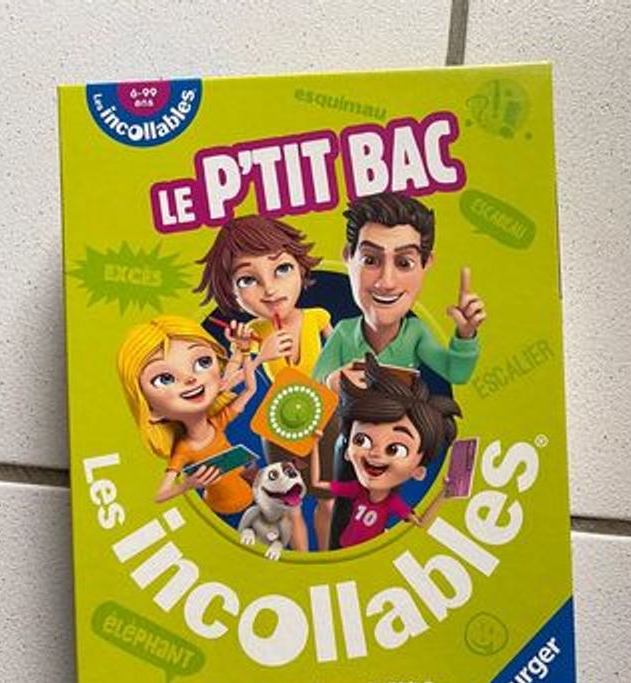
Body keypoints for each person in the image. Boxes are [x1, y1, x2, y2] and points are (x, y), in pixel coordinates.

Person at [195, 214, 336, 550]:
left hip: (326, 416)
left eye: (282, 269)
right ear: (231, 293)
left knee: (329, 498)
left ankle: (327, 561)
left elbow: (340, 356)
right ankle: (302, 566)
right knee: (290, 505)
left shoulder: (317, 316)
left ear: (300, 267)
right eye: (248, 279)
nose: (270, 289)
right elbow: (224, 386)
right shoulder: (254, 333)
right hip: (279, 422)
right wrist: (256, 355)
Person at [312, 192, 486, 391]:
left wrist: (466, 335)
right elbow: (314, 384)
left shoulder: (415, 334)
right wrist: (332, 381)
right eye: (370, 260)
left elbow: (456, 373)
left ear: (426, 264)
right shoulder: (344, 333)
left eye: (404, 263)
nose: (387, 282)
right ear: (348, 257)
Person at [311, 354, 460, 548]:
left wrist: (443, 494)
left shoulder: (391, 502)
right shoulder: (354, 487)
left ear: (418, 471)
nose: (375, 454)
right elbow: (317, 483)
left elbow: (421, 522)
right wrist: (315, 443)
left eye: (395, 449)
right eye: (361, 440)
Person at [117, 315, 257, 516]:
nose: (190, 379)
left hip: (249, 491)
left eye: (202, 362)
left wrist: (245, 351)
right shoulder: (184, 449)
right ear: (151, 411)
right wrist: (189, 484)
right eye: (164, 379)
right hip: (223, 508)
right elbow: (160, 495)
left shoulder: (217, 422)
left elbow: (250, 389)